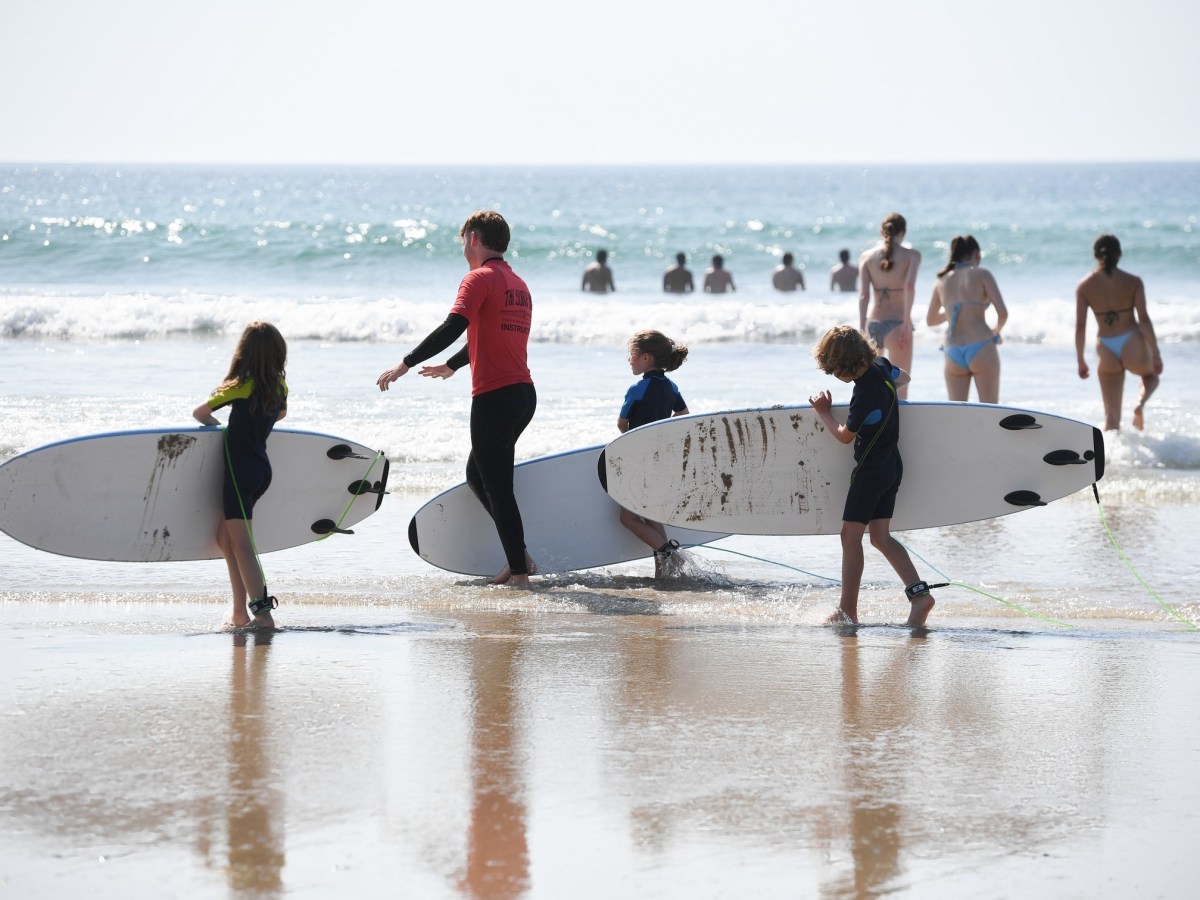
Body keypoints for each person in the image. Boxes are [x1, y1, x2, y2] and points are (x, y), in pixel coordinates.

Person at [376, 210, 538, 586]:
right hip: (523, 395)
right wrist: (451, 366)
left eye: (464, 239)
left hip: (495, 397)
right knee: (478, 476)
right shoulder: (517, 284)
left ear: (474, 239)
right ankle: (520, 558)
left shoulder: (478, 278)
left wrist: (405, 363)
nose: (464, 247)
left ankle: (520, 574)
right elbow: (488, 337)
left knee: (498, 487)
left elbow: (454, 326)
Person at [809, 325, 936, 628]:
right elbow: (903, 377)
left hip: (870, 473)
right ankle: (920, 596)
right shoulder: (881, 366)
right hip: (892, 467)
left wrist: (824, 411)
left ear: (843, 367)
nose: (833, 376)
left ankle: (847, 611)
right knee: (880, 537)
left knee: (850, 536)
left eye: (833, 370)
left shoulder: (863, 394)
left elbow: (844, 436)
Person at [192, 321, 289, 629]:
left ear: (244, 353)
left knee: (243, 546)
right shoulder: (278, 387)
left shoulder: (241, 387)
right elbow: (281, 413)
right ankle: (238, 613)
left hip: (240, 473)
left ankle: (262, 615)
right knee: (226, 539)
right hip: (261, 470)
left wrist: (218, 428)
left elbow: (200, 413)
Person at [616, 330, 691, 576]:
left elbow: (621, 424)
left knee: (627, 519)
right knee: (651, 515)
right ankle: (663, 573)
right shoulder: (671, 387)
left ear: (646, 358)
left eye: (632, 355)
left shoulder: (637, 389)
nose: (629, 360)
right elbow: (683, 416)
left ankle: (671, 555)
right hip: (661, 458)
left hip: (640, 458)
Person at [1075, 234, 1163, 431]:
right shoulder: (1133, 282)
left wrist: (1080, 359)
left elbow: (1080, 327)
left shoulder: (1084, 286)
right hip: (1131, 340)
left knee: (1111, 419)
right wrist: (1156, 354)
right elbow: (1144, 319)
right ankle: (1139, 405)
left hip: (1105, 346)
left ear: (1095, 255)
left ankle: (1110, 458)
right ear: (1119, 254)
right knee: (1151, 377)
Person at [926, 235, 1008, 403]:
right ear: (976, 254)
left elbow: (931, 320)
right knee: (990, 412)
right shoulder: (983, 274)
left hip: (952, 351)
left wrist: (953, 311)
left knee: (958, 415)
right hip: (981, 346)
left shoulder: (942, 279)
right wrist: (996, 332)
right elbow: (1003, 313)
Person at [859, 213, 920, 398]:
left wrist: (862, 330)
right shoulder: (912, 256)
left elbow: (863, 296)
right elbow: (909, 287)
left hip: (873, 324)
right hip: (898, 325)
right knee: (900, 390)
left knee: (871, 387)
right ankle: (899, 426)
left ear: (881, 232)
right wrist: (906, 323)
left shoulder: (866, 257)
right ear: (903, 232)